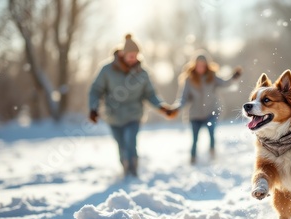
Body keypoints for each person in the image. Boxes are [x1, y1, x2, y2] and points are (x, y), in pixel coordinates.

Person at [88, 34, 176, 177]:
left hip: (133, 114)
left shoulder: (142, 73)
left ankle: (133, 169)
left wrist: (161, 107)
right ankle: (125, 166)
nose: (133, 59)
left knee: (130, 140)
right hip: (113, 115)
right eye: (130, 56)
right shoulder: (107, 70)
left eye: (136, 56)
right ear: (122, 54)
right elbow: (96, 90)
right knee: (121, 144)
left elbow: (150, 94)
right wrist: (93, 108)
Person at [173, 51, 241, 164]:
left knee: (211, 134)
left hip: (211, 112)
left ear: (207, 65)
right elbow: (183, 98)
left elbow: (225, 83)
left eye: (203, 65)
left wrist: (234, 77)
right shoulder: (189, 80)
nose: (201, 67)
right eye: (198, 65)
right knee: (194, 139)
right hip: (195, 115)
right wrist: (176, 108)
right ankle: (193, 159)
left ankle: (212, 155)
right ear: (194, 65)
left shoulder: (212, 77)